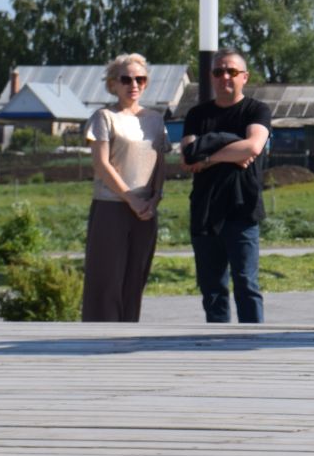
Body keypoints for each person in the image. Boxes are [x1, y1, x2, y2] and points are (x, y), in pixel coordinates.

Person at [181, 49, 272, 322]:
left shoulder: (257, 110)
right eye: (219, 72)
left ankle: (252, 345)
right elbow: (187, 159)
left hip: (241, 208)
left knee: (246, 284)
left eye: (232, 71)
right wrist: (232, 150)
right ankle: (215, 343)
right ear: (211, 77)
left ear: (245, 77)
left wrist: (208, 155)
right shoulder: (197, 115)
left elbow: (253, 145)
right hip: (205, 210)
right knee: (212, 289)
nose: (225, 77)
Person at [80, 53, 168, 321]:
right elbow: (102, 165)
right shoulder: (104, 117)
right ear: (113, 84)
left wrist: (153, 200)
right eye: (126, 79)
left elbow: (160, 164)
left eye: (140, 79)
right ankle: (99, 337)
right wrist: (131, 199)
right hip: (111, 208)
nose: (134, 84)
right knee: (106, 279)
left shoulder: (155, 119)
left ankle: (128, 333)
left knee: (135, 278)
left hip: (145, 212)